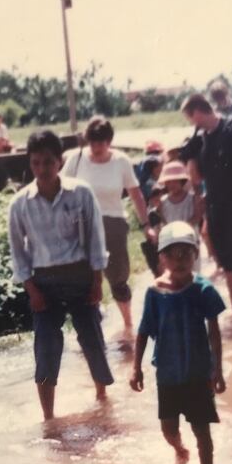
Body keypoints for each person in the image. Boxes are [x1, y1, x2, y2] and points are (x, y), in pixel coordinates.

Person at [8, 129, 114, 421]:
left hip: (80, 277)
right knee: (45, 349)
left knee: (92, 340)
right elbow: (18, 253)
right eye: (36, 163)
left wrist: (97, 281)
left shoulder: (81, 193)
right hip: (44, 284)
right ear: (30, 164)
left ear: (59, 162)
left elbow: (95, 240)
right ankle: (48, 418)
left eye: (48, 162)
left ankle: (103, 401)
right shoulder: (20, 204)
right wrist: (32, 290)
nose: (42, 169)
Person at [130, 221, 226, 464]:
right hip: (168, 374)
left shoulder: (204, 290)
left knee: (202, 431)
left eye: (186, 253)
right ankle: (179, 449)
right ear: (162, 258)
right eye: (172, 254)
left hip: (198, 372)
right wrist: (136, 368)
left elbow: (214, 333)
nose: (180, 259)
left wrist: (218, 370)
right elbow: (143, 331)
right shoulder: (155, 293)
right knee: (168, 428)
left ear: (196, 254)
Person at [62, 116, 156, 345]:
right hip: (81, 224)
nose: (96, 147)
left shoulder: (121, 161)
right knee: (83, 280)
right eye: (92, 142)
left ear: (109, 141)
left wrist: (146, 226)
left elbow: (136, 194)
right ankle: (90, 331)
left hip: (113, 222)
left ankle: (128, 326)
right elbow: (61, 189)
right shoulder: (76, 159)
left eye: (101, 142)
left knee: (118, 278)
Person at [181, 92, 232, 313]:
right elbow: (197, 179)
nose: (191, 124)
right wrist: (190, 155)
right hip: (216, 209)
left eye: (190, 118)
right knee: (227, 265)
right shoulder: (202, 138)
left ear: (198, 113)